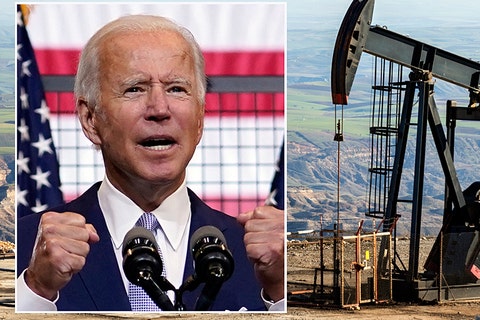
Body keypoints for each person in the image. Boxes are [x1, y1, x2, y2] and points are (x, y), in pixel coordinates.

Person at [16, 14, 285, 312]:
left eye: (176, 89)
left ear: (200, 118)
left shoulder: (264, 258)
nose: (159, 109)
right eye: (135, 88)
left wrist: (279, 293)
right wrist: (37, 291)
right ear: (90, 119)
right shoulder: (25, 248)